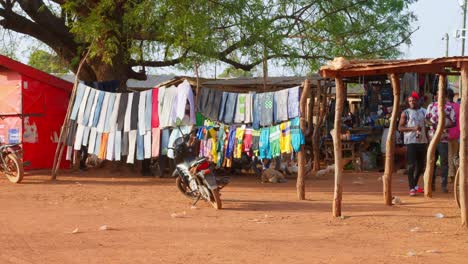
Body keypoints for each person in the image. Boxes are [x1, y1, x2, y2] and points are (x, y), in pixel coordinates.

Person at [425, 89, 456, 193]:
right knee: (431, 161)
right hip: (432, 138)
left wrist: (443, 125)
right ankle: (431, 184)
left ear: (445, 96)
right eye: (437, 95)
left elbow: (454, 122)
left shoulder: (449, 107)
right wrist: (433, 125)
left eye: (441, 95)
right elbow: (426, 120)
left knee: (444, 163)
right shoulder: (431, 106)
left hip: (444, 139)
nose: (438, 96)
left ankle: (444, 185)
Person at [398, 92, 428, 196]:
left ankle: (414, 185)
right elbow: (400, 128)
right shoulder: (405, 112)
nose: (412, 102)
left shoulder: (424, 111)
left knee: (420, 166)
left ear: (418, 100)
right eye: (410, 101)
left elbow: (429, 124)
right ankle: (411, 188)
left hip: (422, 141)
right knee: (411, 165)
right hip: (410, 142)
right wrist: (413, 128)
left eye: (413, 100)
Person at [446, 89, 460, 183]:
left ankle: (451, 174)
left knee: (449, 155)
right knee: (455, 155)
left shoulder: (445, 106)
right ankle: (456, 174)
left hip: (445, 134)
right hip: (456, 134)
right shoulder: (458, 106)